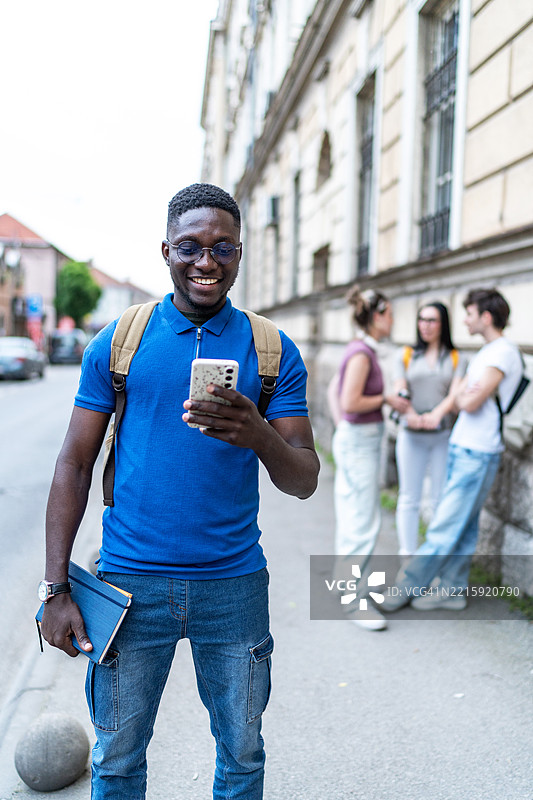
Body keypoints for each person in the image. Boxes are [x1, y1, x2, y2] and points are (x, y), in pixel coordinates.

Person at [40, 183, 320, 800]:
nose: (206, 263)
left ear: (239, 255)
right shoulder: (119, 343)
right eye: (190, 247)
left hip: (234, 586)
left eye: (223, 249)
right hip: (130, 585)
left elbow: (303, 478)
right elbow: (74, 464)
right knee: (116, 758)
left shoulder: (271, 350)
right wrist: (55, 588)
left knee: (242, 753)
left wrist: (258, 434)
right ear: (165, 250)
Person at [382, 287, 523, 612]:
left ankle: (404, 588)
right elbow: (461, 395)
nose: (465, 319)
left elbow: (468, 401)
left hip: (479, 450)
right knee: (464, 525)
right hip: (467, 446)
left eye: (470, 313)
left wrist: (462, 393)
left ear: (485, 317)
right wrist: (461, 392)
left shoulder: (501, 352)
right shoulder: (488, 352)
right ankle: (453, 590)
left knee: (446, 525)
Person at [332, 286, 410, 631]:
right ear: (377, 316)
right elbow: (349, 403)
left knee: (353, 517)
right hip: (359, 442)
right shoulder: (363, 353)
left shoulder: (360, 349)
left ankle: (347, 586)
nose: (393, 320)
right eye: (390, 313)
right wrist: (387, 399)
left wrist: (342, 431)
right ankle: (353, 599)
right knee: (361, 523)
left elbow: (336, 396)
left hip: (356, 441)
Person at [393, 302, 465, 556]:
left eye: (432, 320)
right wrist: (411, 414)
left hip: (441, 436)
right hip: (411, 436)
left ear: (443, 324)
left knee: (438, 500)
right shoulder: (406, 354)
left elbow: (455, 395)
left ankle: (432, 560)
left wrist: (436, 415)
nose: (426, 325)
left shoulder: (456, 357)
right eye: (422, 319)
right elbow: (400, 388)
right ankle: (407, 558)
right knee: (409, 499)